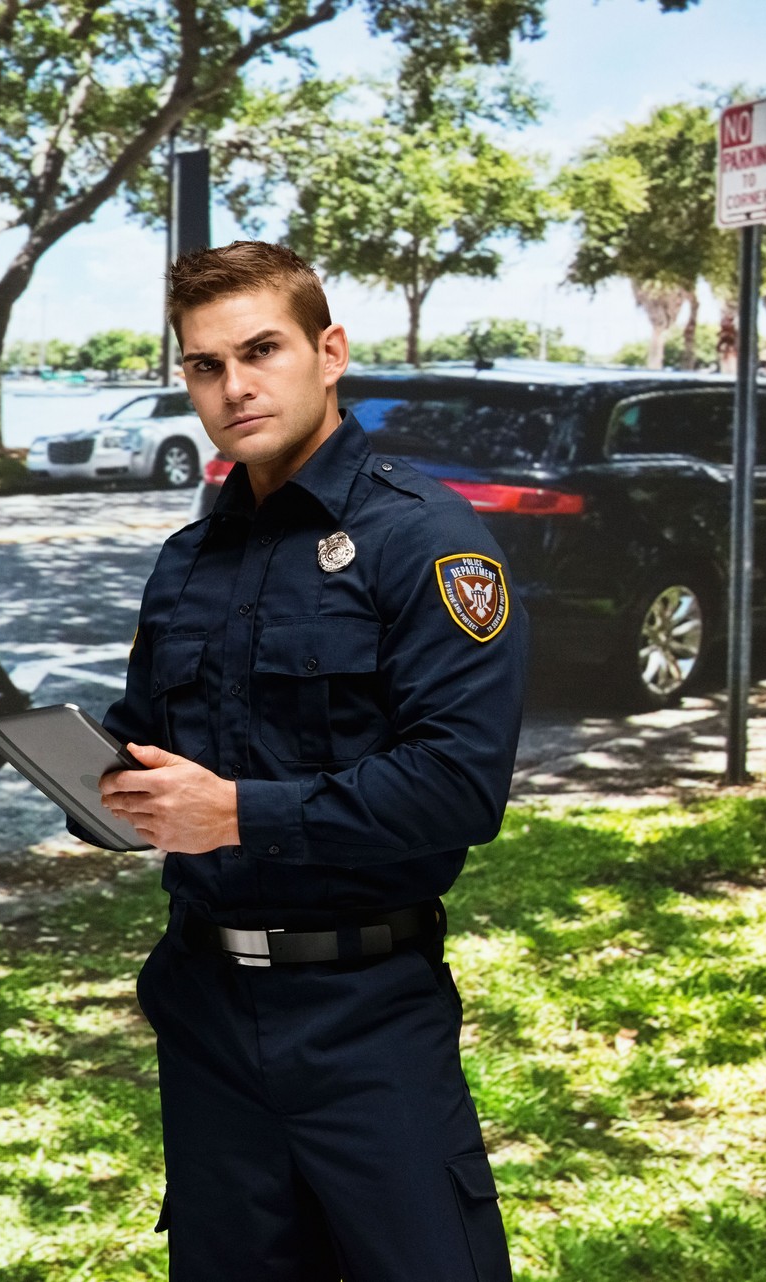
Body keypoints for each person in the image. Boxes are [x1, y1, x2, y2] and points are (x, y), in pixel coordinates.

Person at [77, 241, 526, 1281]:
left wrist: (234, 812)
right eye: (203, 364)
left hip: (367, 1015)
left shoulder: (427, 540)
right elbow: (153, 735)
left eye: (261, 350)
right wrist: (101, 782)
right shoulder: (190, 558)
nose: (233, 386)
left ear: (330, 352)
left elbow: (458, 786)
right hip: (206, 1010)